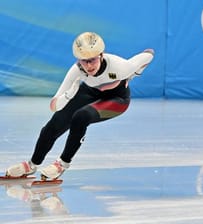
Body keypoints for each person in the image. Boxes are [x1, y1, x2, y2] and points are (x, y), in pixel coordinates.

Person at [5, 31, 154, 180]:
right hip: (89, 92)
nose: (89, 66)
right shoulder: (77, 70)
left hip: (117, 99)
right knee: (55, 123)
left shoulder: (121, 66)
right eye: (84, 60)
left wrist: (135, 73)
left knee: (81, 116)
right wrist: (69, 95)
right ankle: (33, 164)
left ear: (101, 55)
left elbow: (148, 55)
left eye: (92, 60)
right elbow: (54, 106)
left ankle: (62, 163)